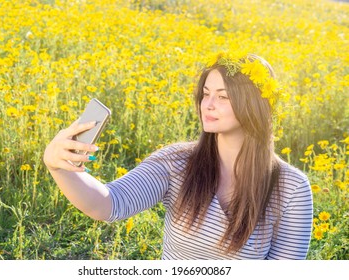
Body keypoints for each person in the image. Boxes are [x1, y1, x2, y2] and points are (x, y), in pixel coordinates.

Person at [43, 52, 313, 259]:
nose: (208, 104)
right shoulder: (176, 162)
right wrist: (58, 167)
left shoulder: (291, 189)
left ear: (253, 105)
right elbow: (109, 203)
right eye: (206, 94)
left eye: (223, 97)